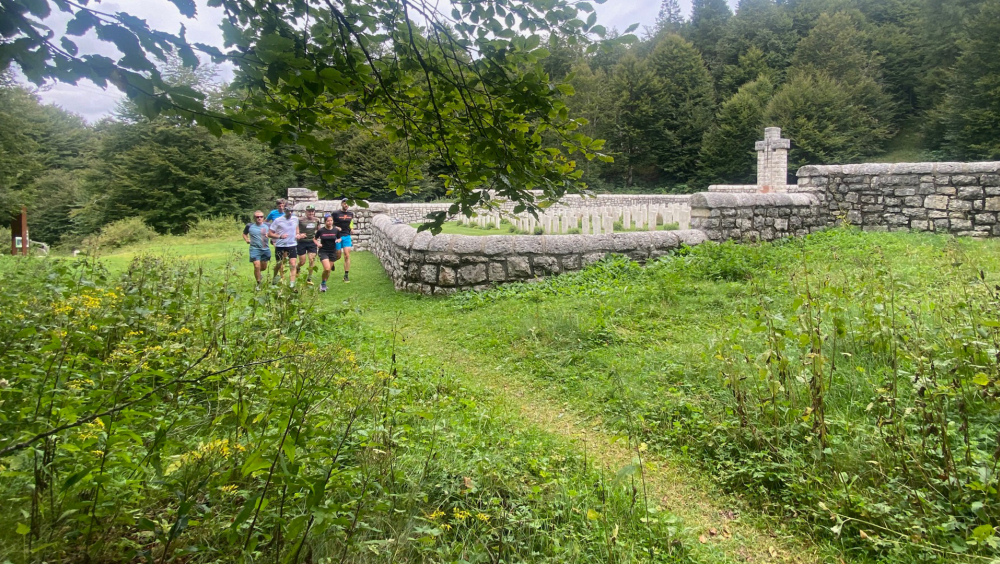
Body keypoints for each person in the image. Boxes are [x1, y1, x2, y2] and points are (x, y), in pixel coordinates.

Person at [268, 206, 302, 287]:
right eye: (288, 211)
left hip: (292, 244)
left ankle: (292, 284)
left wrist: (297, 235)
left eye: (291, 211)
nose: (290, 213)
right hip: (280, 245)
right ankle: (275, 278)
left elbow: (296, 228)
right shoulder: (278, 220)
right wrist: (280, 236)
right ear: (284, 211)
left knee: (293, 264)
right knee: (279, 264)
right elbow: (270, 233)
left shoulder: (295, 219)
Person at [314, 214, 342, 292]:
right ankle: (322, 284)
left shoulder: (336, 230)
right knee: (327, 268)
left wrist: (338, 240)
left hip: (333, 251)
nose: (330, 222)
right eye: (328, 221)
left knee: (328, 270)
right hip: (323, 251)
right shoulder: (321, 230)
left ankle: (324, 283)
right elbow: (314, 239)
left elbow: (340, 238)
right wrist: (318, 244)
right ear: (325, 222)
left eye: (331, 221)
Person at [242, 210, 270, 287]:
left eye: (261, 217)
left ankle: (258, 274)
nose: (259, 218)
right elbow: (244, 234)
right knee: (256, 266)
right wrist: (247, 239)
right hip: (254, 249)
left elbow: (274, 233)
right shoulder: (249, 226)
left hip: (265, 248)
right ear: (254, 218)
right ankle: (258, 284)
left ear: (263, 218)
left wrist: (270, 236)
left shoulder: (268, 225)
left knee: (263, 267)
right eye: (257, 217)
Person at [330, 199, 355, 283]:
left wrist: (351, 228)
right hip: (337, 236)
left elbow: (350, 222)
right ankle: (332, 262)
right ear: (341, 204)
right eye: (344, 203)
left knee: (347, 255)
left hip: (346, 236)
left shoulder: (350, 214)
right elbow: (329, 222)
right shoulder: (335, 213)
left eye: (348, 203)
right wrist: (335, 227)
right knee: (338, 255)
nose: (346, 205)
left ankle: (346, 275)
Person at [295, 205, 321, 285]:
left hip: (311, 242)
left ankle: (309, 279)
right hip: (302, 242)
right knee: (302, 261)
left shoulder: (317, 220)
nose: (311, 213)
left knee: (311, 260)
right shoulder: (300, 220)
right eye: (309, 211)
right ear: (306, 212)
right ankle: (298, 267)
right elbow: (296, 230)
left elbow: (319, 230)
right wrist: (299, 234)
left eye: (312, 211)